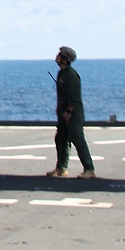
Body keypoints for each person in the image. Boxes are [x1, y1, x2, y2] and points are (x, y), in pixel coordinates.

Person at [47, 46, 95, 180]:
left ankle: (89, 169)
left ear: (65, 59)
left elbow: (75, 98)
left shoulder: (71, 74)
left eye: (60, 54)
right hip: (63, 112)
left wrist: (69, 111)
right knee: (61, 138)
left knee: (78, 139)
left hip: (73, 113)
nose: (57, 55)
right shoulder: (61, 73)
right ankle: (61, 168)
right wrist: (60, 109)